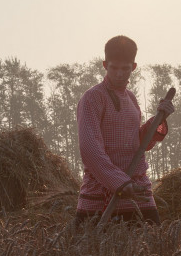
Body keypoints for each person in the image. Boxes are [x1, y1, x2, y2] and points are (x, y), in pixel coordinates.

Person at [75, 35, 175, 225]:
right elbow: (90, 149)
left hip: (138, 194)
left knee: (155, 250)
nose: (119, 74)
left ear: (134, 67)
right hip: (100, 198)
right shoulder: (92, 98)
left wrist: (159, 119)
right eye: (114, 68)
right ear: (105, 65)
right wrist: (119, 182)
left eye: (125, 69)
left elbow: (138, 144)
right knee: (95, 253)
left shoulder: (131, 99)